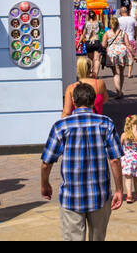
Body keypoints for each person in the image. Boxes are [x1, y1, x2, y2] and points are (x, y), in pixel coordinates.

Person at [40, 82, 124, 241]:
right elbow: (115, 160)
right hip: (100, 195)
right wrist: (119, 189)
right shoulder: (105, 123)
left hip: (72, 196)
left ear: (73, 101)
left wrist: (45, 184)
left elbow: (47, 162)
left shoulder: (61, 126)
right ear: (93, 101)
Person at [104, 16, 135, 97]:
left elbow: (103, 45)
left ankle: (118, 92)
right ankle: (120, 91)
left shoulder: (107, 33)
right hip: (122, 52)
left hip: (112, 53)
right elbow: (128, 44)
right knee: (121, 72)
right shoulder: (123, 32)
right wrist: (133, 55)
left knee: (115, 73)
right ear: (118, 24)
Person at [120, 114, 137, 203]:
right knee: (136, 177)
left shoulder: (124, 135)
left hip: (127, 159)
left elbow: (119, 147)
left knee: (128, 178)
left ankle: (129, 196)